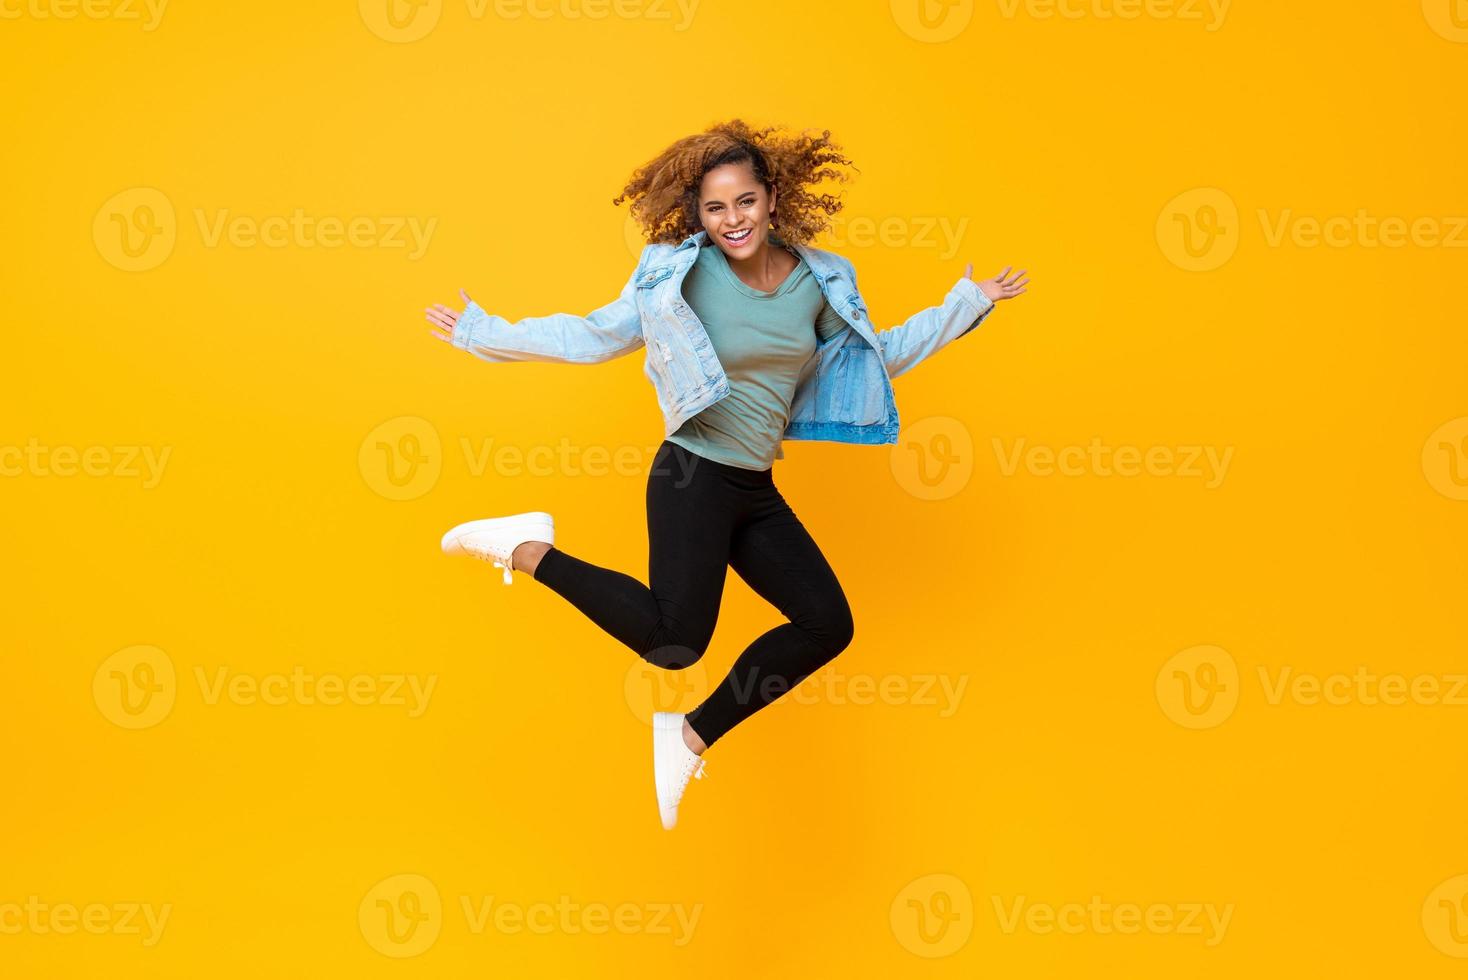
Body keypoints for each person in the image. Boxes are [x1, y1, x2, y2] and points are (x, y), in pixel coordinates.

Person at [424, 119, 1028, 830]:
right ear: (696, 215)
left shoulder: (818, 280)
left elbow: (875, 358)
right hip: (693, 473)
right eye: (714, 208)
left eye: (743, 202)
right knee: (673, 643)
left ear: (772, 199)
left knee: (825, 623)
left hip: (753, 485)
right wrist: (483, 332)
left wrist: (965, 305)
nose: (731, 220)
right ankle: (526, 548)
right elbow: (595, 335)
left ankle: (686, 734)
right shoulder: (681, 275)